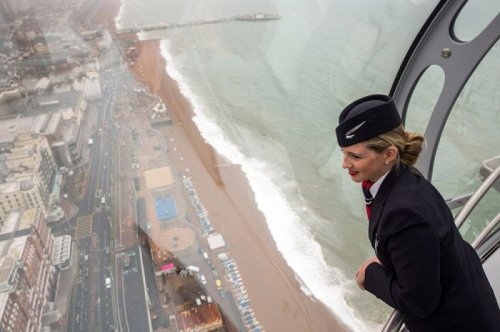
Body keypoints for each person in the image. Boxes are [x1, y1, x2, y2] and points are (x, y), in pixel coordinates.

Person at [335, 94, 500, 331]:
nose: (344, 163)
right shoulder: (403, 179)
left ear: (389, 155)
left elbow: (420, 301)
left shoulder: (404, 213)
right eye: (344, 153)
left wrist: (371, 274)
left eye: (355, 156)